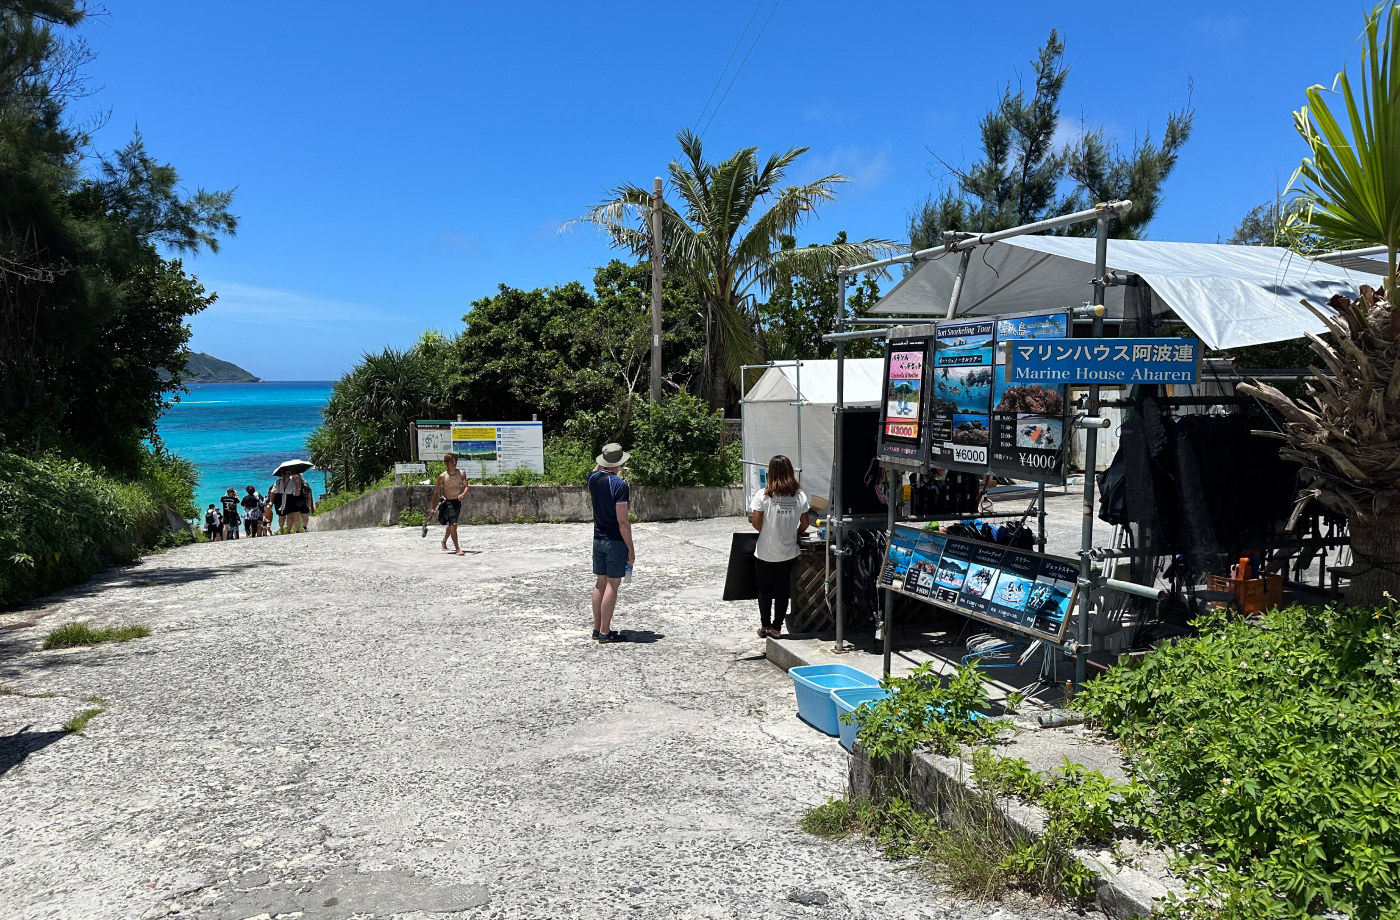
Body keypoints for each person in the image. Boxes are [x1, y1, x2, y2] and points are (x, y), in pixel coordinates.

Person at [748, 454, 810, 639]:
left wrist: (770, 532)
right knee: (783, 591)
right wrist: (793, 534)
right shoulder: (800, 496)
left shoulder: (763, 495)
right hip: (788, 552)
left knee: (764, 590)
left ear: (771, 473)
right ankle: (777, 627)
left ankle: (765, 626)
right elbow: (805, 523)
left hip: (766, 552)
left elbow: (756, 524)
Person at [587, 442, 634, 643]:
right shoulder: (620, 485)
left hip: (598, 539)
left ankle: (597, 628)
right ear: (619, 463)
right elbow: (623, 521)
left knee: (600, 582)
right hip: (615, 541)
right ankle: (606, 632)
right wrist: (631, 550)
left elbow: (595, 470)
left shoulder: (593, 479)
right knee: (612, 586)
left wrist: (603, 460)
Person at [426, 452, 470, 555]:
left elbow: (467, 486)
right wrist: (432, 507)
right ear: (446, 463)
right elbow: (436, 492)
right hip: (448, 502)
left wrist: (463, 494)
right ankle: (457, 549)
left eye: (455, 461)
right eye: (451, 461)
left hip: (457, 502)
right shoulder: (442, 476)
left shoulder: (461, 473)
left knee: (451, 525)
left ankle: (444, 541)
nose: (454, 463)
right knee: (454, 525)